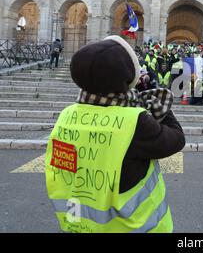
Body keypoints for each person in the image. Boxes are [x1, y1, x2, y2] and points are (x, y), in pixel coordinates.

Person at [45, 35, 185, 233]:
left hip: (78, 224)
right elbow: (176, 139)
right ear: (126, 77)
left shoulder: (66, 115)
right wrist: (157, 104)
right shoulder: (134, 121)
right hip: (129, 227)